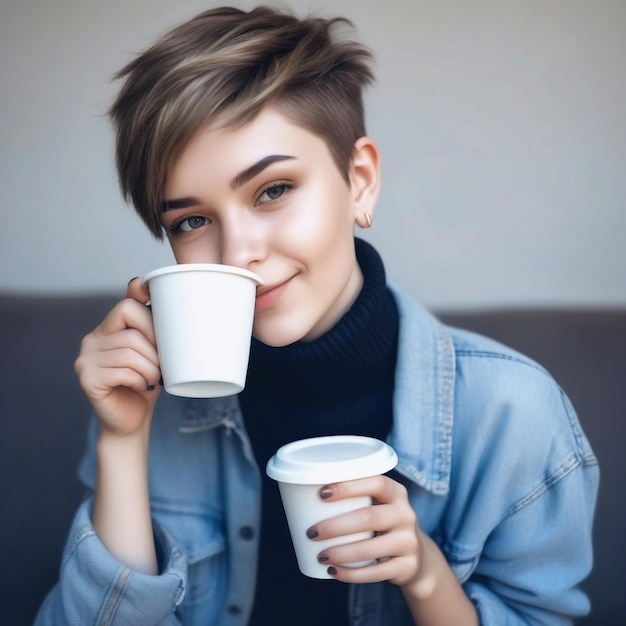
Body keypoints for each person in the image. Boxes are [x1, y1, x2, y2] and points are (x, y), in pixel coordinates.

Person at [35, 6, 598, 625]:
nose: (239, 252)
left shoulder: (513, 414)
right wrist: (122, 439)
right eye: (191, 221)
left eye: (272, 190)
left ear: (359, 181)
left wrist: (423, 572)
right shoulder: (153, 403)